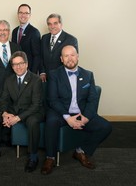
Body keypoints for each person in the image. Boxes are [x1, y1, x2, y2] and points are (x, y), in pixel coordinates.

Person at [41, 45, 112, 175]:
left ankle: (81, 151)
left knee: (106, 127)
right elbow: (53, 99)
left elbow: (92, 99)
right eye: (66, 56)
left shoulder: (88, 75)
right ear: (61, 59)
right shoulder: (54, 74)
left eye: (72, 55)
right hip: (60, 111)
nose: (70, 59)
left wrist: (86, 117)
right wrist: (68, 118)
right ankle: (50, 158)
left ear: (77, 56)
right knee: (51, 121)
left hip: (81, 112)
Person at [0, 51, 45, 173]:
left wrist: (17, 118)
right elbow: (3, 99)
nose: (18, 67)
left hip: (32, 111)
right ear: (12, 66)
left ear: (26, 64)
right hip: (14, 109)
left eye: (21, 63)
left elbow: (36, 105)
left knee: (32, 121)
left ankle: (33, 157)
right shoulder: (9, 79)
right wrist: (5, 113)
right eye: (15, 64)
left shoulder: (36, 80)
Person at [39, 13, 78, 82]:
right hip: (46, 79)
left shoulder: (70, 40)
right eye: (49, 24)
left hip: (62, 79)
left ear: (61, 24)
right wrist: (42, 72)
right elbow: (41, 56)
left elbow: (72, 61)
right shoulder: (44, 38)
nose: (52, 26)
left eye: (55, 23)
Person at [12, 4, 41, 74]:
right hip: (16, 71)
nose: (23, 15)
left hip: (29, 72)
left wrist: (32, 74)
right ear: (17, 14)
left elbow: (37, 56)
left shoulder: (34, 32)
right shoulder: (15, 31)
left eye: (26, 13)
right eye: (21, 13)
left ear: (29, 15)